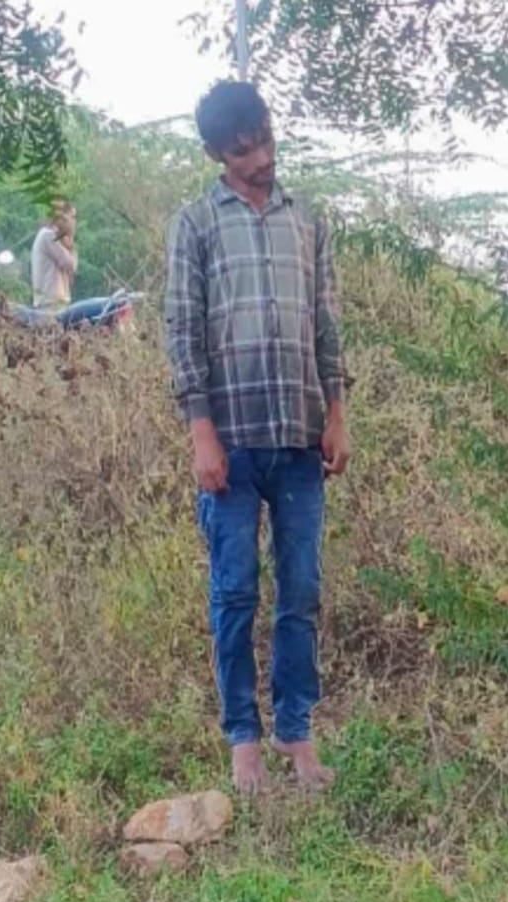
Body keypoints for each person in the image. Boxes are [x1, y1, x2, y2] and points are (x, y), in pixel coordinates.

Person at [164, 80, 351, 795]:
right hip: (231, 443)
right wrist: (200, 433)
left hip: (300, 438)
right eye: (243, 150)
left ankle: (295, 732)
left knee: (301, 590)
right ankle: (243, 740)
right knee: (235, 591)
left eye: (266, 140)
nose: (262, 158)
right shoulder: (195, 225)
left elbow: (326, 323)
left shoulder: (307, 220)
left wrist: (337, 412)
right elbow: (183, 330)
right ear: (216, 154)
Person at [30, 200, 78, 312]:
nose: (73, 222)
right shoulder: (48, 235)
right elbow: (70, 264)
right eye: (72, 217)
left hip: (54, 304)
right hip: (50, 305)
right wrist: (71, 241)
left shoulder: (54, 237)